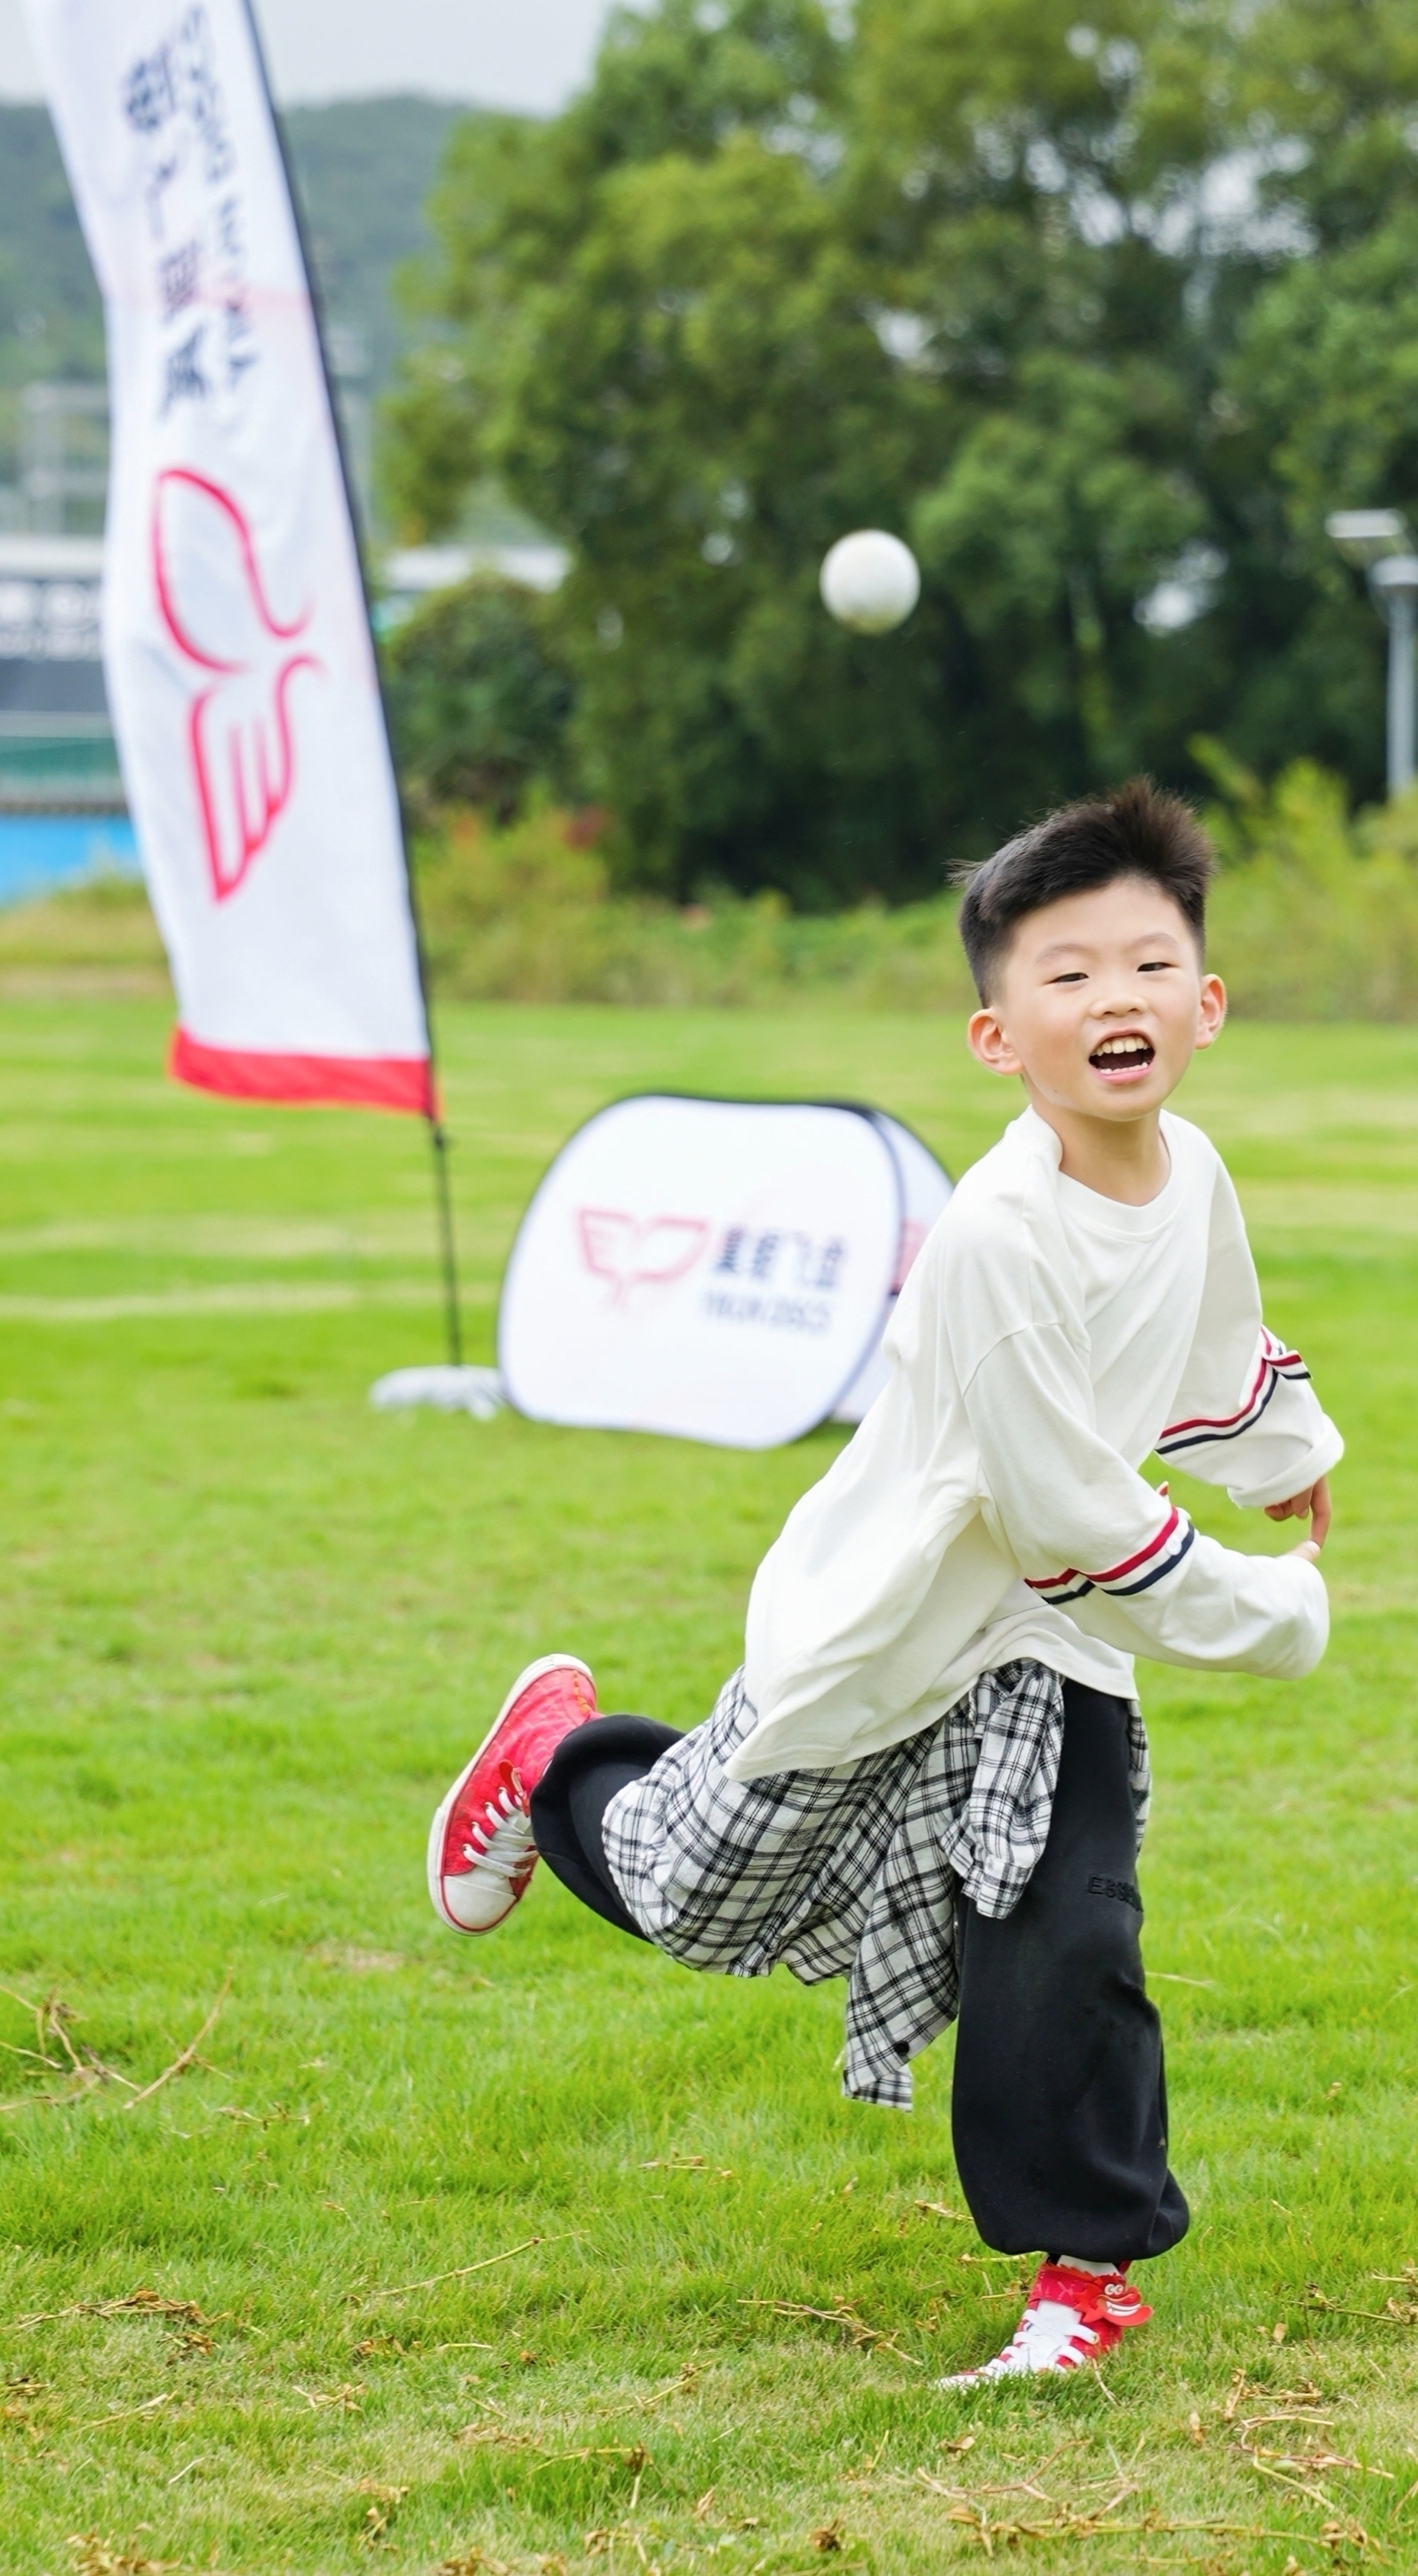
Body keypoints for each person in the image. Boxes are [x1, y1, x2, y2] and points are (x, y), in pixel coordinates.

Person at [427, 780, 1341, 2384]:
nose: (1110, 998)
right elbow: (1068, 1513)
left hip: (1048, 1653)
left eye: (1143, 964)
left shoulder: (1187, 1165)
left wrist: (1279, 1448)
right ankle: (552, 1760)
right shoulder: (993, 1235)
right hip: (895, 1624)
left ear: (1203, 1003)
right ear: (996, 1035)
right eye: (1063, 974)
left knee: (1062, 1931)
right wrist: (1270, 1614)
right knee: (696, 1893)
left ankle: (1083, 2274)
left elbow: (1207, 1339)